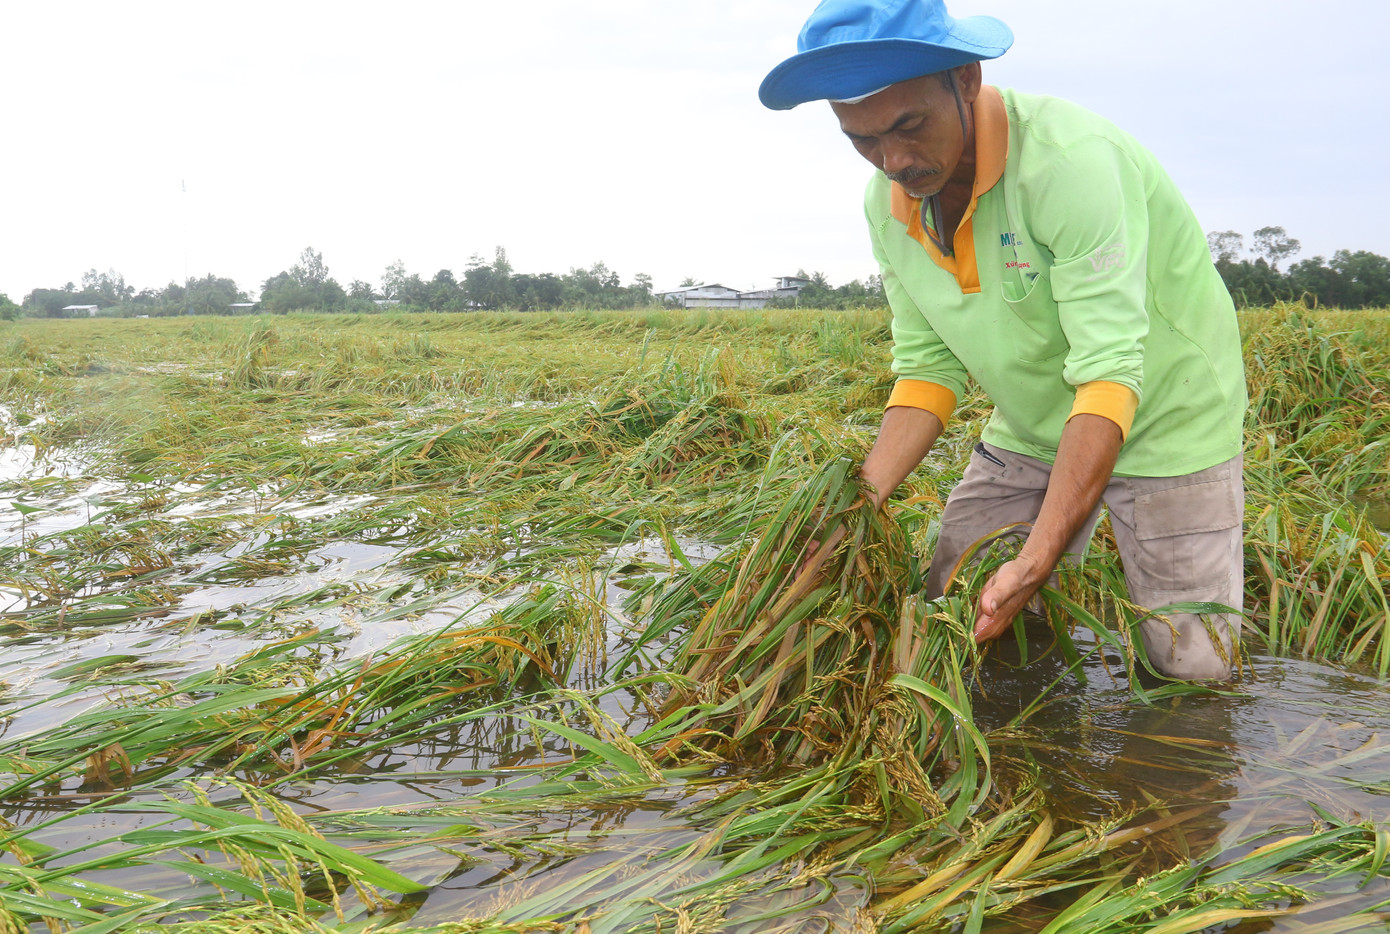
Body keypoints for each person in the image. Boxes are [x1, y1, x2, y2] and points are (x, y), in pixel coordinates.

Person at [760, 0, 1248, 680]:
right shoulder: (887, 206)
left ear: (966, 79)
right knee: (958, 607)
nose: (893, 161)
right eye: (862, 140)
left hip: (1169, 421)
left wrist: (1038, 557)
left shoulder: (1069, 163)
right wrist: (853, 510)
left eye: (909, 126)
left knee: (1191, 668)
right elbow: (927, 369)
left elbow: (1108, 373)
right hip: (1034, 425)